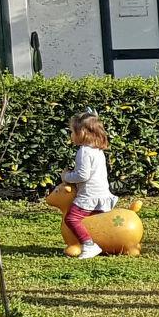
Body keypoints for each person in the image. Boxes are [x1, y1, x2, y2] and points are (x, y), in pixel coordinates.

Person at [62, 111, 117, 259]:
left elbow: (82, 175)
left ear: (83, 133)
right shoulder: (97, 150)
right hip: (102, 193)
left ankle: (88, 244)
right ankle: (104, 243)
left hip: (89, 195)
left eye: (72, 132)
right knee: (94, 222)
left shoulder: (84, 151)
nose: (71, 136)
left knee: (71, 218)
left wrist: (66, 176)